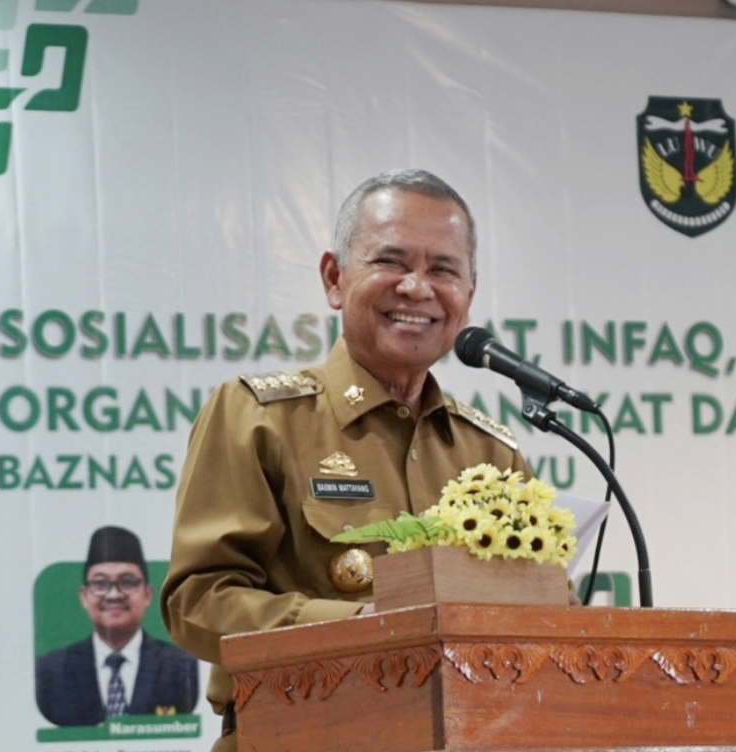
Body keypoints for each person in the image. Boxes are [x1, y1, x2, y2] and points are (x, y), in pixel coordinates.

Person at [161, 169, 530, 751]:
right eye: (391, 261)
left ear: (469, 294)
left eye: (443, 270)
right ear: (335, 278)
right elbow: (198, 602)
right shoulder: (258, 418)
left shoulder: (491, 451)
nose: (417, 288)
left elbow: (542, 612)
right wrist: (360, 631)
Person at [36, 526, 199, 726]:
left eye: (127, 582)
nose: (113, 595)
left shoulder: (183, 667)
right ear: (84, 596)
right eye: (100, 583)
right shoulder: (49, 672)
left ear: (148, 594)